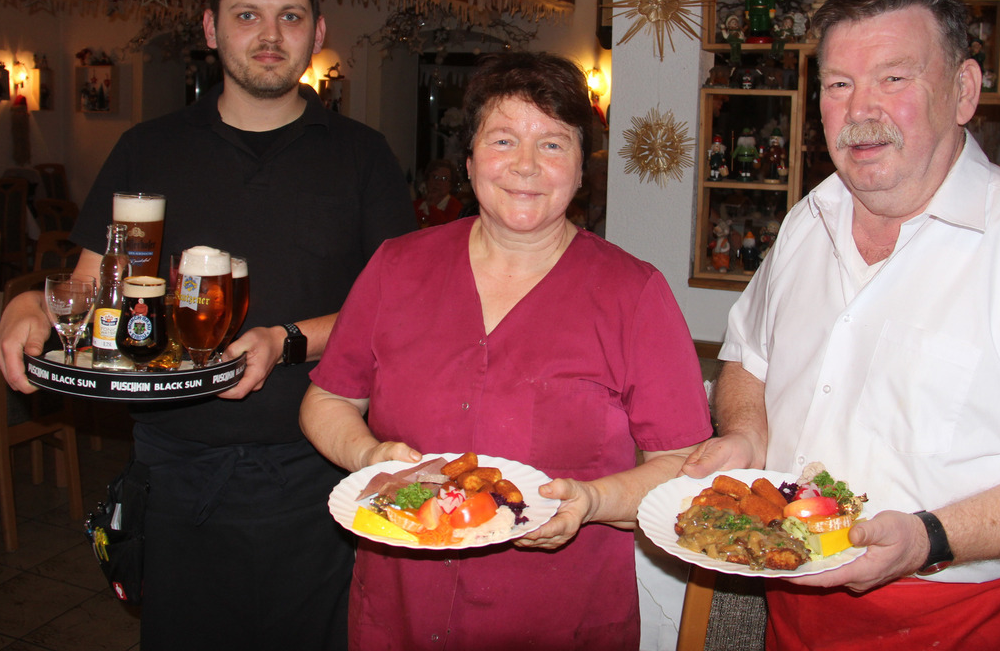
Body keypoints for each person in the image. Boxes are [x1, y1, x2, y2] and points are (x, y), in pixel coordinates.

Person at [0, 0, 416, 651]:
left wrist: (286, 341)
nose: (271, 36)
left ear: (318, 32)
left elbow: (394, 314)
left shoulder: (363, 155)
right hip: (176, 464)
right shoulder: (148, 147)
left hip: (316, 466)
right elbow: (93, 284)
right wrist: (31, 302)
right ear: (212, 29)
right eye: (247, 15)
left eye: (290, 16)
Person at [683, 0, 1000, 649]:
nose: (860, 110)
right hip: (795, 597)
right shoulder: (805, 223)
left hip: (968, 615)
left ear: (964, 92)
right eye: (839, 84)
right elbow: (746, 361)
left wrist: (929, 537)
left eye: (894, 78)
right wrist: (745, 437)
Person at [300, 51, 711, 649]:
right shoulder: (397, 266)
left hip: (559, 620)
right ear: (469, 162)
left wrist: (592, 501)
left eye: (552, 144)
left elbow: (684, 465)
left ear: (580, 169)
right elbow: (327, 397)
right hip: (399, 613)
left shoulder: (634, 293)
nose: (525, 165)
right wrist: (371, 457)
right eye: (503, 140)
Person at [567, 148, 608, 236]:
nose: (606, 179)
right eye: (603, 173)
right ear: (591, 174)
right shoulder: (574, 206)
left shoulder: (614, 208)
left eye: (609, 174)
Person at [413, 158, 463, 228]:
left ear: (451, 185)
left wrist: (432, 207)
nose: (438, 183)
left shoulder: (456, 208)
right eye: (435, 177)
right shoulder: (415, 206)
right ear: (427, 180)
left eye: (444, 179)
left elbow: (445, 230)